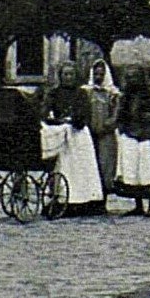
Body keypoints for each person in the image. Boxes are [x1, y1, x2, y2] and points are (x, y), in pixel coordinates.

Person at [42, 61, 105, 215]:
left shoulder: (81, 93)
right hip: (61, 134)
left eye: (71, 74)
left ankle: (83, 200)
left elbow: (84, 114)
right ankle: (63, 199)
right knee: (63, 166)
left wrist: (74, 120)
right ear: (60, 76)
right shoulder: (54, 93)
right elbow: (45, 111)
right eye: (65, 74)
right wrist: (52, 119)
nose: (68, 77)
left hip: (78, 135)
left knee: (80, 168)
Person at [113, 64, 150, 216]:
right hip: (130, 135)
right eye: (129, 77)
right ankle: (138, 204)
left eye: (135, 77)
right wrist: (122, 128)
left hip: (146, 137)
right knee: (132, 171)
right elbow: (120, 115)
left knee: (149, 171)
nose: (132, 80)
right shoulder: (125, 97)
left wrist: (146, 118)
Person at [82, 58, 121, 194]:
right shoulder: (86, 92)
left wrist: (109, 123)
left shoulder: (112, 93)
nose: (98, 77)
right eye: (96, 74)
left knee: (105, 165)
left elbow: (116, 113)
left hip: (106, 134)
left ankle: (104, 195)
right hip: (89, 133)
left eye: (101, 74)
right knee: (90, 164)